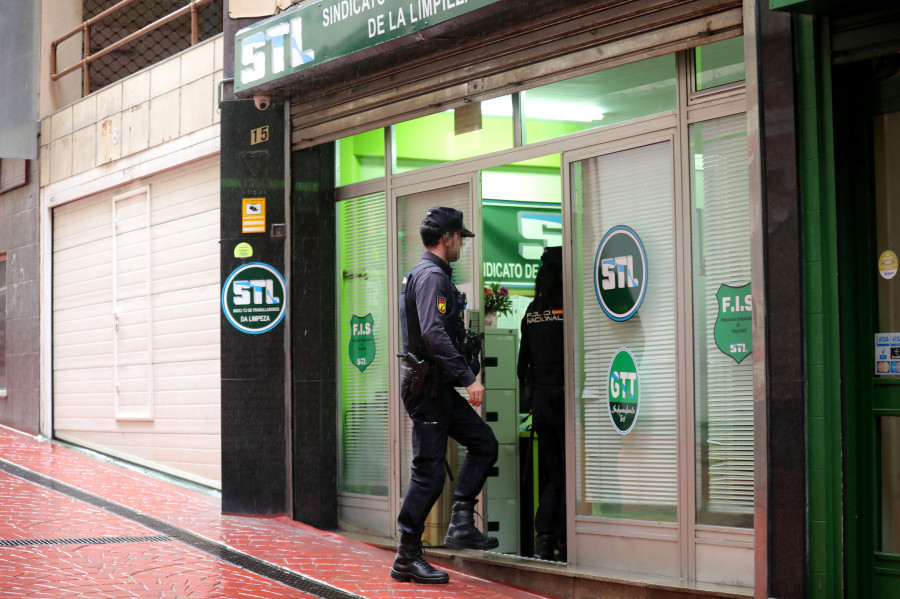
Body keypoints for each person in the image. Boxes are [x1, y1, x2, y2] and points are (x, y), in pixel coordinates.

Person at [391, 207, 500, 585]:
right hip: (429, 390)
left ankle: (460, 524)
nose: (461, 245)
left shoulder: (427, 275)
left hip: (436, 389)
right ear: (447, 238)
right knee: (429, 474)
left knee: (484, 442)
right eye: (459, 238)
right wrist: (470, 378)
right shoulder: (432, 277)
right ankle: (406, 556)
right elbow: (434, 334)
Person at [517, 245, 566, 561]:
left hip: (542, 404)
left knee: (553, 472)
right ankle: (555, 539)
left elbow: (522, 367)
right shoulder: (568, 309)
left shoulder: (532, 311)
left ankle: (545, 541)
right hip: (565, 401)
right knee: (566, 475)